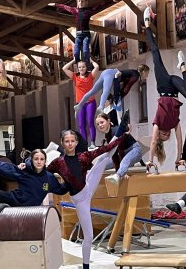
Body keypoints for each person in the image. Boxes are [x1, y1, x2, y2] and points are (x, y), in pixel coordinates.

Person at [46, 112, 129, 269]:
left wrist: (120, 136)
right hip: (80, 200)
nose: (70, 144)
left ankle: (121, 129)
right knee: (89, 236)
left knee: (104, 158)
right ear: (62, 144)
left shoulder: (83, 156)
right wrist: (26, 167)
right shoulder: (58, 162)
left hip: (88, 185)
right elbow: (43, 172)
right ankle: (85, 266)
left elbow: (105, 149)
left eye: (72, 141)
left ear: (76, 142)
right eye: (67, 142)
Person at [143, 6, 186, 168]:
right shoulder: (174, 124)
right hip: (174, 90)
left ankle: (146, 23)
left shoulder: (157, 124)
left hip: (164, 85)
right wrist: (179, 158)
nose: (165, 134)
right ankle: (183, 66)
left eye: (162, 136)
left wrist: (150, 161)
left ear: (159, 136)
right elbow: (180, 141)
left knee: (156, 54)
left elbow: (152, 142)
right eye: (167, 135)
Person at [0, 149, 68, 206]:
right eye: (36, 159)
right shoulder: (24, 171)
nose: (39, 162)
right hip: (13, 200)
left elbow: (61, 190)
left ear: (45, 161)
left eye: (42, 159)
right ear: (32, 160)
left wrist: (71, 178)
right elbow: (1, 166)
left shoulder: (49, 178)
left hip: (32, 209)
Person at [49, 0, 118, 67]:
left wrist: (112, 1)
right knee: (75, 52)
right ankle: (79, 65)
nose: (80, 3)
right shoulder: (75, 10)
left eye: (82, 1)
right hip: (78, 35)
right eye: (79, 1)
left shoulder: (89, 10)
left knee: (85, 51)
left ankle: (87, 66)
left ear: (86, 2)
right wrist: (55, 4)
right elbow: (64, 7)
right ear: (77, 3)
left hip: (86, 34)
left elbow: (100, 5)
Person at [94, 112, 142, 184]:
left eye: (102, 122)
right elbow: (114, 154)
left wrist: (121, 173)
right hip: (123, 154)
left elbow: (121, 150)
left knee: (124, 162)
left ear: (108, 121)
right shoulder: (107, 135)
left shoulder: (116, 131)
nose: (100, 125)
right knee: (102, 164)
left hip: (134, 150)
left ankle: (117, 176)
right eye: (98, 124)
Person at [63, 57, 100, 149]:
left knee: (90, 122)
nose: (81, 69)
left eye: (83, 67)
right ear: (77, 68)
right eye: (79, 67)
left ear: (86, 67)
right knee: (81, 125)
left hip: (90, 102)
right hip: (80, 104)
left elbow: (97, 67)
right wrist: (73, 60)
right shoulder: (75, 77)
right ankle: (84, 144)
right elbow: (64, 68)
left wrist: (91, 61)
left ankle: (92, 142)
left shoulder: (90, 76)